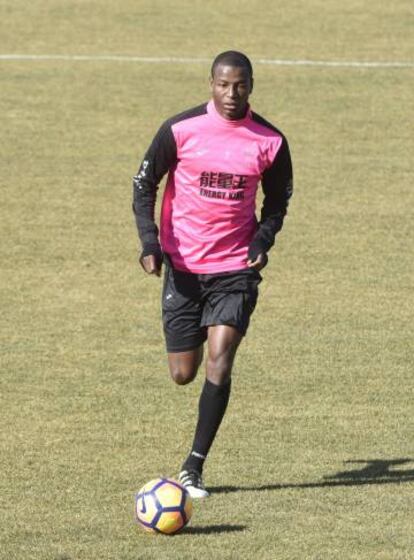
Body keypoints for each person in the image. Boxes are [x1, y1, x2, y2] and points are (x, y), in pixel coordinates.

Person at [132, 51, 293, 498]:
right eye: (223, 84)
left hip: (234, 269)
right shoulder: (180, 130)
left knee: (222, 355)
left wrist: (262, 241)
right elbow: (143, 183)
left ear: (251, 86)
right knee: (184, 373)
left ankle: (193, 467)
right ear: (211, 84)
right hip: (183, 268)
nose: (231, 93)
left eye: (240, 85)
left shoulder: (270, 141)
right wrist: (150, 243)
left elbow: (277, 202)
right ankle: (195, 337)